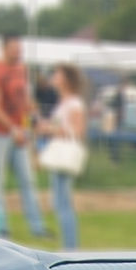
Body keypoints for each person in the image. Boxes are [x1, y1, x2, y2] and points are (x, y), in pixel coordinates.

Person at [0, 35, 51, 239]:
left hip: (19, 133)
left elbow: (25, 99)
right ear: (4, 48)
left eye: (19, 48)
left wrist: (36, 117)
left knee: (28, 180)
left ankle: (37, 227)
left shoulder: (21, 70)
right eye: (14, 48)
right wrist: (13, 129)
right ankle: (0, 227)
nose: (18, 52)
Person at [37, 63, 86, 250]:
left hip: (65, 156)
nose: (54, 77)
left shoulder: (74, 103)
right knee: (59, 202)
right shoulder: (63, 102)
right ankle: (68, 244)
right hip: (58, 157)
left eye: (57, 74)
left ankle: (71, 246)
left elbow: (77, 131)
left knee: (64, 202)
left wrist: (51, 129)